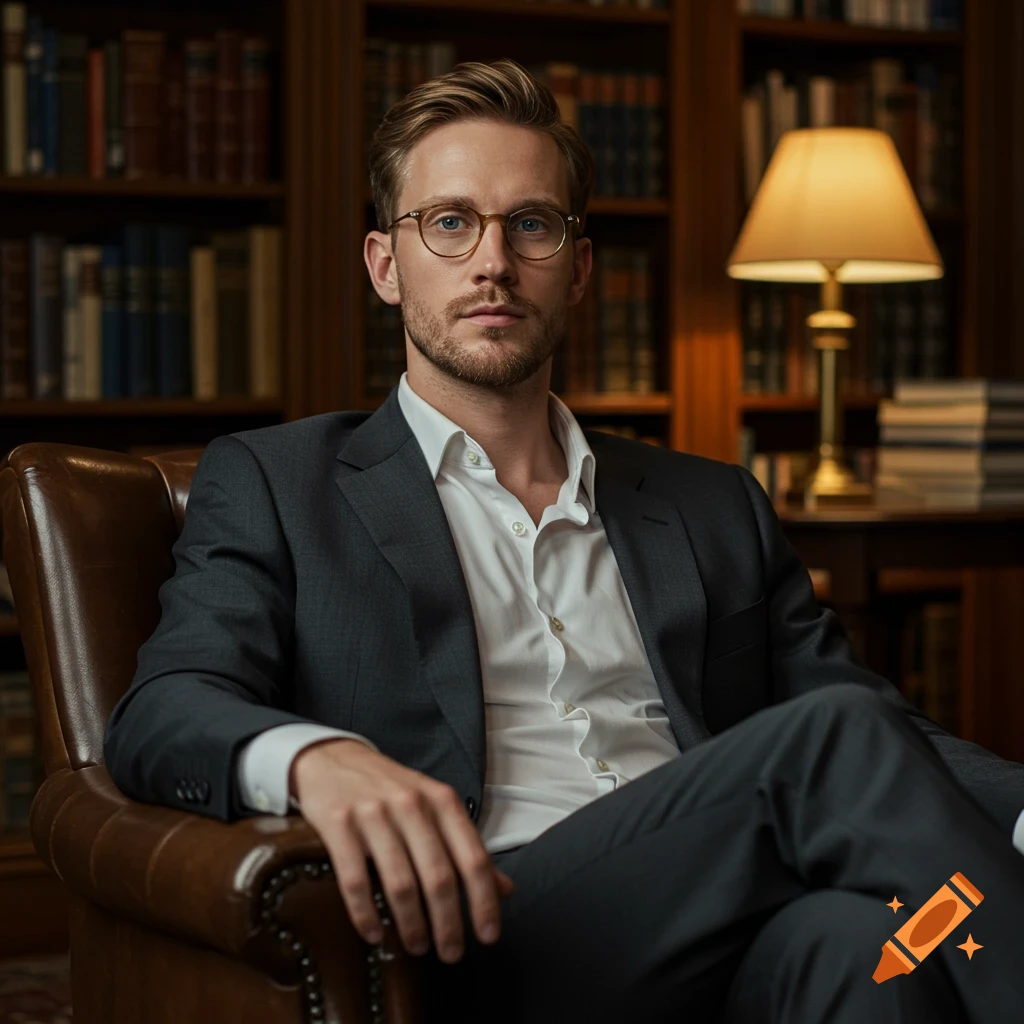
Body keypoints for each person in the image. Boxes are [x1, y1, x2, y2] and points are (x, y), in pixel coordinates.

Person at [104, 58, 1024, 1023]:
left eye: (531, 224)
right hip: (493, 928)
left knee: (865, 950)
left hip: (725, 908)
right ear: (386, 265)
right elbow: (161, 710)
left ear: (577, 268)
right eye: (450, 222)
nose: (492, 262)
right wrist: (313, 758)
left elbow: (877, 735)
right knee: (829, 748)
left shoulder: (711, 502)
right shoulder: (277, 481)